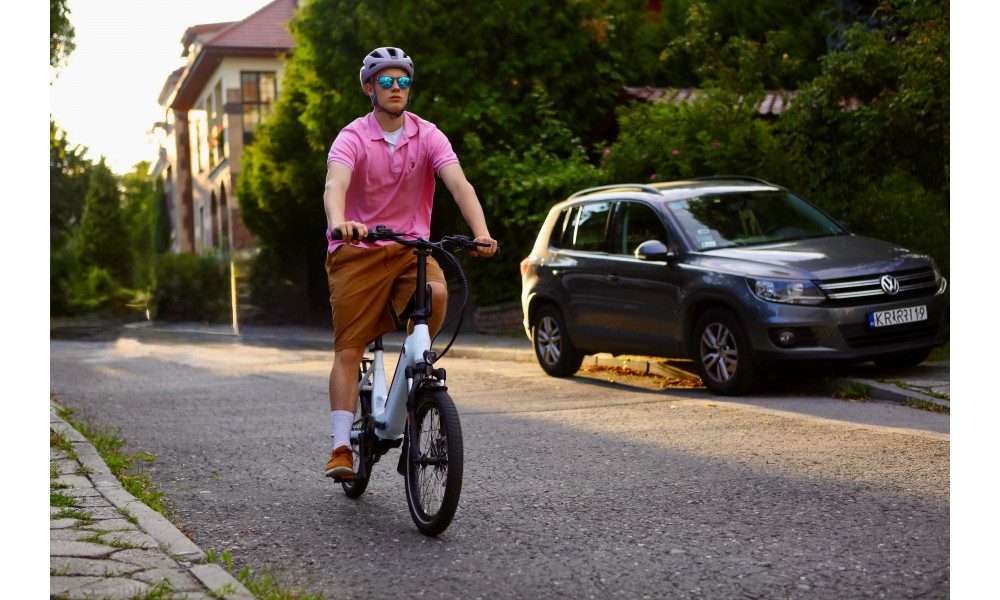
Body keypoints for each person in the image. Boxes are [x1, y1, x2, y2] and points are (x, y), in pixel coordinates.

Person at [323, 47, 497, 479]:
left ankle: (412, 380)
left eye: (403, 81)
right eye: (386, 81)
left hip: (409, 249)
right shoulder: (353, 136)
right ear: (370, 88)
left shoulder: (429, 134)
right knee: (349, 348)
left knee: (437, 293)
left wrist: (481, 232)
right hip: (358, 250)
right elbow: (334, 183)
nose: (396, 88)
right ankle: (342, 446)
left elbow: (459, 183)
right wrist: (340, 222)